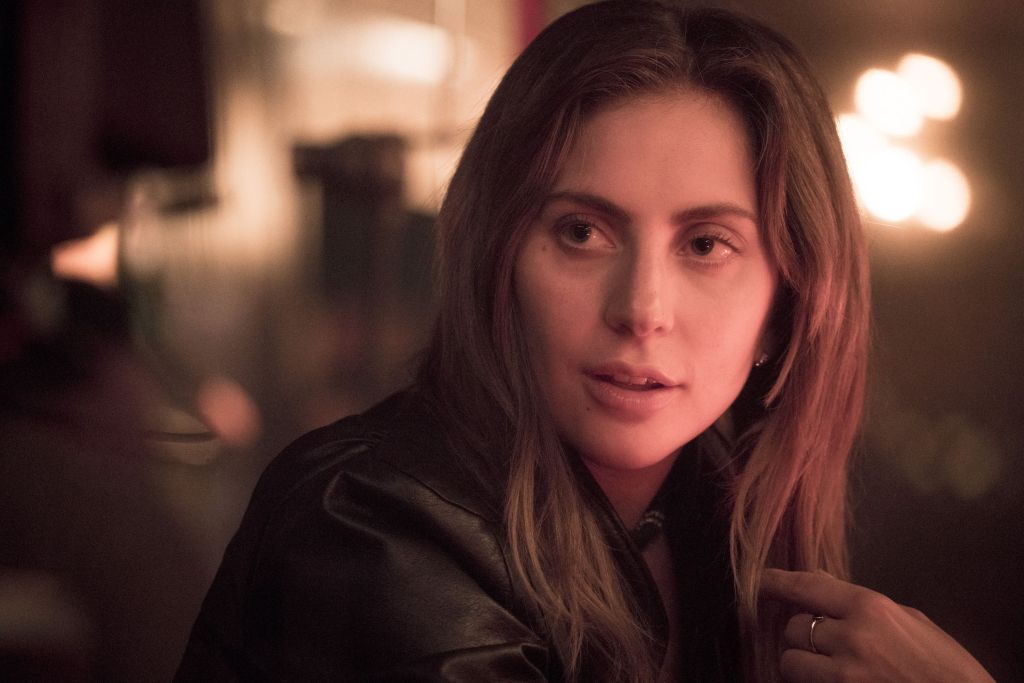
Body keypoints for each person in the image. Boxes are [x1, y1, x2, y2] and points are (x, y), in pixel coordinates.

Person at [175, 2, 993, 681]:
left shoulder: (716, 514)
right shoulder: (370, 523)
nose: (641, 308)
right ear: (497, 257)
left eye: (706, 244)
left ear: (786, 309)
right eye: (582, 231)